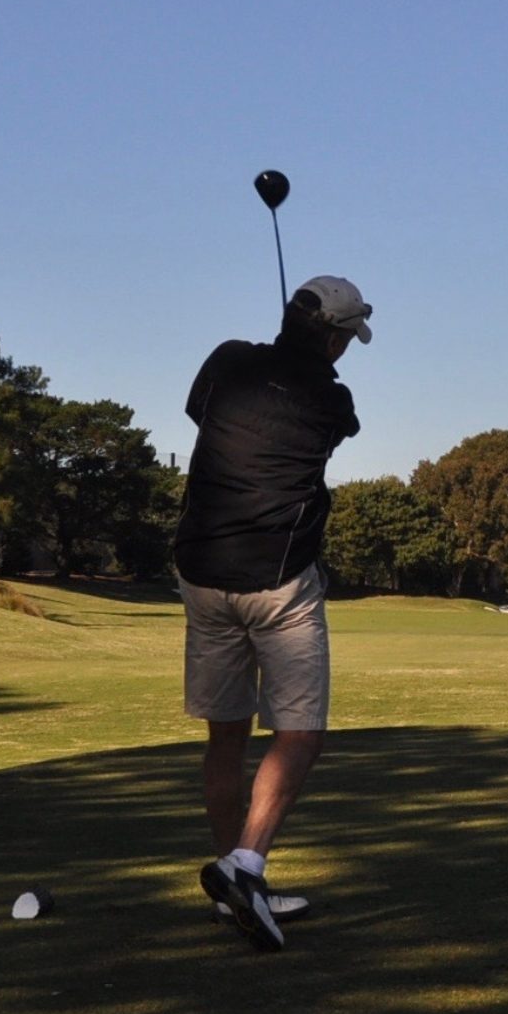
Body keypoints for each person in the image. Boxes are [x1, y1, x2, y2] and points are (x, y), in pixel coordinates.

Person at [173, 275, 371, 951]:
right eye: (347, 339)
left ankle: (233, 889)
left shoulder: (228, 360)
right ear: (335, 339)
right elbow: (334, 425)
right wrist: (299, 370)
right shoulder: (331, 399)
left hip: (202, 575)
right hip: (279, 583)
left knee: (225, 737)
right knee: (300, 733)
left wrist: (273, 366)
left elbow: (203, 412)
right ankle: (247, 867)